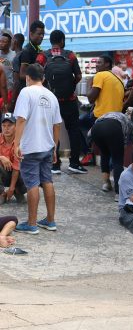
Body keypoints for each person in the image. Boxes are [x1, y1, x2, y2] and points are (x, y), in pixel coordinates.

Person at [13, 64, 62, 235]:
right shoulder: (51, 96)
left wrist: (16, 144)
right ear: (43, 78)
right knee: (47, 181)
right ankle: (50, 220)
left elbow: (20, 119)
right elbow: (57, 125)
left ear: (27, 77)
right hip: (47, 147)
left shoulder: (26, 92)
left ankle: (32, 224)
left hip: (31, 147)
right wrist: (54, 147)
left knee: (32, 183)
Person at [36, 30, 86, 175]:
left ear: (50, 41)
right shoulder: (70, 55)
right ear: (62, 41)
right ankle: (74, 163)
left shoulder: (43, 56)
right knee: (74, 130)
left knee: (52, 132)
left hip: (50, 101)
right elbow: (78, 76)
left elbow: (37, 76)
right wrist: (70, 85)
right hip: (69, 100)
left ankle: (55, 165)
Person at [91, 111, 133, 202]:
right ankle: (119, 193)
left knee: (104, 154)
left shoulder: (107, 115)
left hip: (96, 129)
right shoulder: (128, 120)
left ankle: (106, 184)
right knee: (117, 160)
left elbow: (90, 133)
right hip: (113, 129)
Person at [81, 55, 125, 162]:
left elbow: (91, 98)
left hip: (101, 117)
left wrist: (88, 84)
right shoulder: (117, 78)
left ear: (107, 64)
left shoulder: (100, 75)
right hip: (117, 117)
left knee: (78, 123)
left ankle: (88, 151)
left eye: (99, 62)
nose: (96, 65)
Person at [0, 113, 26, 204]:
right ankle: (1, 193)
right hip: (4, 174)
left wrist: (11, 188)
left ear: (16, 126)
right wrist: (1, 157)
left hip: (18, 175)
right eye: (4, 125)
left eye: (10, 125)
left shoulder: (20, 141)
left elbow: (16, 168)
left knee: (32, 174)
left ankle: (17, 191)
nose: (6, 128)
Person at [19, 20, 45, 91]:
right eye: (39, 34)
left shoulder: (38, 48)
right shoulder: (27, 51)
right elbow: (22, 75)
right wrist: (40, 79)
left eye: (43, 34)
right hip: (28, 91)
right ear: (31, 34)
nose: (42, 36)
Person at [8, 33, 24, 112]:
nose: (10, 43)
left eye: (11, 41)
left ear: (15, 41)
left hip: (18, 95)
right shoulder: (23, 54)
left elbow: (16, 82)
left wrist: (12, 102)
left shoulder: (16, 58)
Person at [0, 32, 15, 105]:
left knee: (6, 111)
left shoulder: (14, 56)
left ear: (9, 44)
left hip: (9, 89)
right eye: (0, 41)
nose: (1, 43)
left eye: (4, 42)